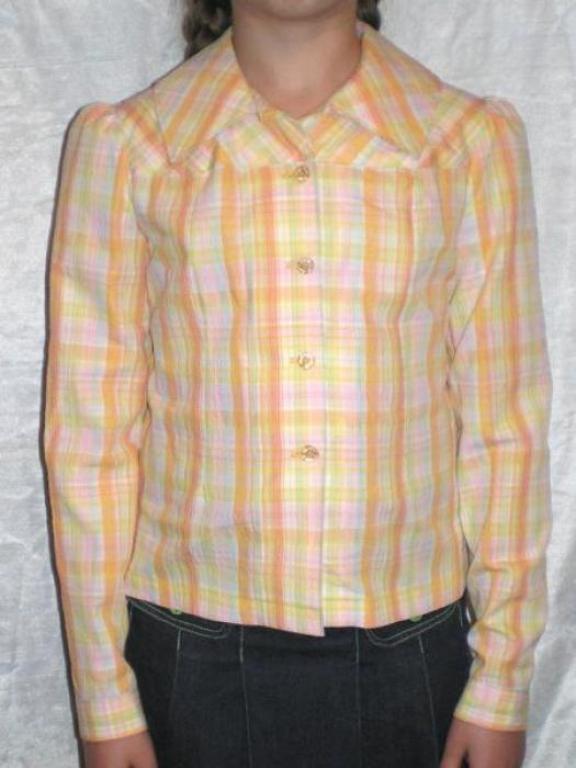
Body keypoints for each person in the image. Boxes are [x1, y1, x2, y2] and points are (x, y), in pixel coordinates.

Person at [44, 1, 553, 766]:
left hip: (412, 657)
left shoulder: (465, 144)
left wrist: (503, 678)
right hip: (190, 657)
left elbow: (505, 425)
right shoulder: (132, 148)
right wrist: (103, 698)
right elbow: (90, 441)